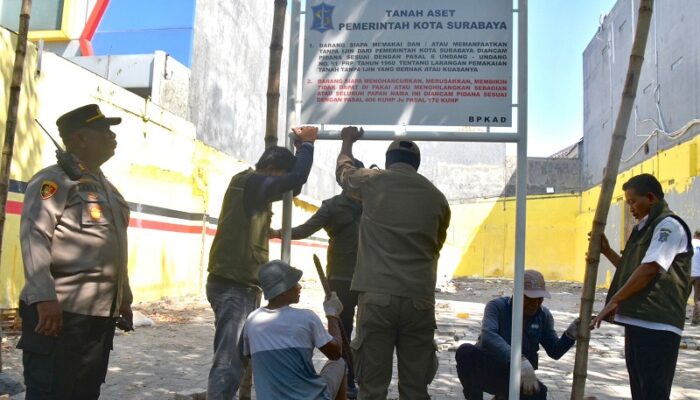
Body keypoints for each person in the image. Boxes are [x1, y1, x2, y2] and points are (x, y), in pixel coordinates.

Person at [17, 104, 133, 399]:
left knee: (85, 392)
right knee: (52, 390)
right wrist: (44, 297)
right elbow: (35, 237)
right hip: (59, 313)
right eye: (105, 130)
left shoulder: (107, 188)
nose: (112, 135)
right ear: (81, 138)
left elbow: (115, 246)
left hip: (97, 315)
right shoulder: (53, 182)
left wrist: (123, 298)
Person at [335, 127, 451, 399]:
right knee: (415, 388)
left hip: (377, 298)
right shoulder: (437, 198)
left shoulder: (373, 181)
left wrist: (348, 141)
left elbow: (343, 173)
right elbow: (437, 243)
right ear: (417, 165)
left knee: (372, 388)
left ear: (388, 162)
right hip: (419, 302)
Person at [206, 126, 318, 399]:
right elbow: (296, 177)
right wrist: (307, 145)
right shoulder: (252, 182)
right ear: (269, 167)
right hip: (232, 285)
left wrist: (299, 150)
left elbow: (295, 183)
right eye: (281, 174)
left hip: (239, 284)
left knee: (237, 356)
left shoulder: (254, 186)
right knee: (228, 359)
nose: (283, 184)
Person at [592, 173, 693, 400]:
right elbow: (632, 272)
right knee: (639, 389)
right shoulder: (644, 229)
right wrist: (607, 251)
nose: (631, 208)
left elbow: (649, 269)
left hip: (658, 324)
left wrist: (615, 300)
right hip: (637, 321)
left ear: (650, 198)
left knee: (653, 391)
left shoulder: (668, 226)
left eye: (633, 201)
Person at [270, 160, 364, 397]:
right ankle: (347, 381)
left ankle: (364, 379)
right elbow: (306, 228)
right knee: (343, 330)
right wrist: (279, 233)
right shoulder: (332, 206)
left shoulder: (375, 205)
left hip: (369, 279)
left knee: (369, 333)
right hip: (341, 279)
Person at [455, 270, 579, 400]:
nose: (535, 304)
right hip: (488, 368)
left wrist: (569, 335)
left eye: (539, 299)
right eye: (530, 299)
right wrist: (518, 360)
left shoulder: (544, 316)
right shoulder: (496, 307)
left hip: (516, 376)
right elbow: (488, 336)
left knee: (539, 393)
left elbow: (554, 351)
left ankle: (501, 397)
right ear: (517, 294)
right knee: (465, 352)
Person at [242, 260, 347, 399]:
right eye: (295, 283)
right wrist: (331, 314)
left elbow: (251, 356)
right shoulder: (307, 318)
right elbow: (336, 353)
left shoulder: (252, 320)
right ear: (283, 290)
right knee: (340, 363)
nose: (300, 286)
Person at [691, 230, 700, 325]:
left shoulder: (690, 243)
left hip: (688, 274)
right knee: (697, 299)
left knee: (682, 297)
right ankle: (696, 320)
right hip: (699, 275)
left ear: (695, 235)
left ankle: (679, 318)